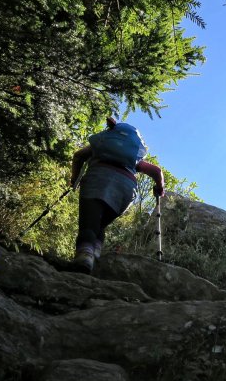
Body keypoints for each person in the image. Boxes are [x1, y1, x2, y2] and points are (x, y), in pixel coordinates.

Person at [70, 116, 165, 272]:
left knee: (89, 222)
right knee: (99, 225)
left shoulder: (100, 146)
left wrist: (74, 180)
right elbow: (156, 171)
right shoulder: (133, 157)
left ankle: (84, 258)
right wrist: (160, 188)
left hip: (97, 179)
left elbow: (79, 156)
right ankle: (96, 257)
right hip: (125, 190)